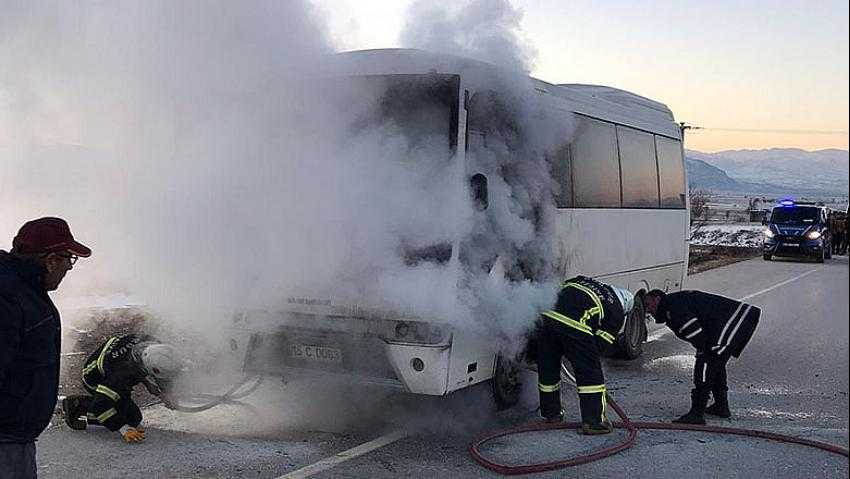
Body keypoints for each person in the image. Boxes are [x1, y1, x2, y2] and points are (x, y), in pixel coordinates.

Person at [1, 217, 91, 479]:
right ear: (51, 260)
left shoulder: (25, 291)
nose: (69, 269)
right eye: (69, 260)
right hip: (6, 442)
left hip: (15, 439)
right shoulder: (9, 299)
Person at [534, 275, 634, 434]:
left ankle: (551, 414)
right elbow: (599, 346)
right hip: (576, 324)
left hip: (546, 319)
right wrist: (578, 354)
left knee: (548, 369)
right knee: (591, 374)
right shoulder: (616, 311)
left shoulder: (585, 281)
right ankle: (594, 422)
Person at [644, 289, 760, 425]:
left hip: (733, 321)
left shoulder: (673, 306)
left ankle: (696, 413)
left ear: (657, 299)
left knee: (706, 364)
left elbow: (693, 329)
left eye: (648, 304)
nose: (648, 310)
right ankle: (721, 406)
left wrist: (702, 349)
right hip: (734, 321)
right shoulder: (670, 306)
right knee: (716, 363)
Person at [62, 334, 182, 443]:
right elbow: (100, 406)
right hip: (95, 379)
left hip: (112, 364)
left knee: (131, 416)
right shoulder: (120, 375)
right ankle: (78, 406)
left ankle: (115, 412)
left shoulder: (152, 343)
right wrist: (124, 429)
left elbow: (158, 373)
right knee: (132, 419)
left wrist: (166, 393)